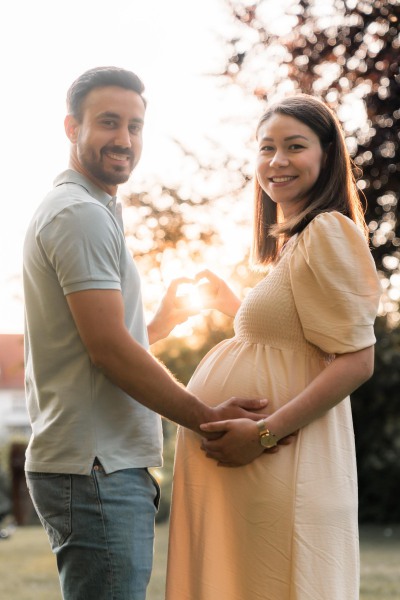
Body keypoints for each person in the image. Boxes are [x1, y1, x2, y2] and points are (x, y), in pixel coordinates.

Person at [22, 66, 269, 600]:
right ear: (71, 128)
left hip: (97, 464)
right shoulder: (79, 214)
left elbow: (94, 345)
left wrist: (157, 326)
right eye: (109, 122)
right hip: (96, 467)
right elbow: (108, 351)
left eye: (135, 126)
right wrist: (207, 419)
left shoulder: (94, 209)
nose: (124, 139)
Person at [165, 94, 382, 600]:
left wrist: (262, 435)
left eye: (294, 146)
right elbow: (296, 338)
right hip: (260, 472)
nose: (277, 161)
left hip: (278, 463)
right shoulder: (296, 242)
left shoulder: (327, 229)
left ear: (327, 156)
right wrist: (233, 306)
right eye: (266, 148)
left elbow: (357, 360)